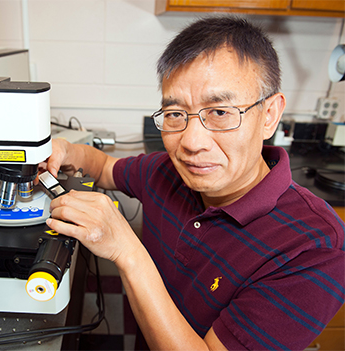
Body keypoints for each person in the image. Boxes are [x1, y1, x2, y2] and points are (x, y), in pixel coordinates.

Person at [42, 16, 345, 350]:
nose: (191, 142)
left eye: (219, 112)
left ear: (269, 115)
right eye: (175, 114)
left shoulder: (314, 246)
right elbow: (101, 166)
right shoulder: (163, 172)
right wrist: (65, 149)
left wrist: (127, 251)